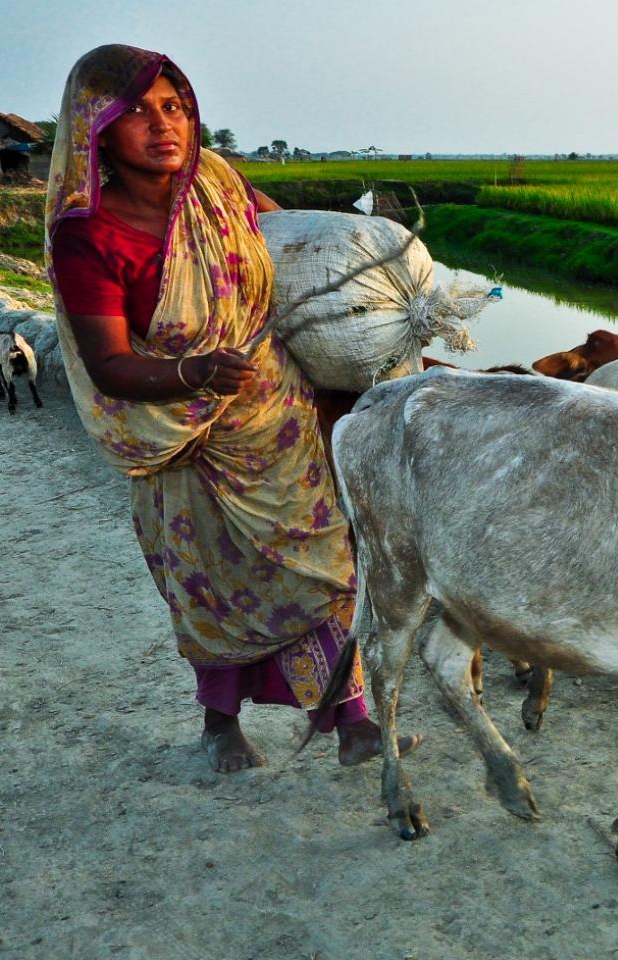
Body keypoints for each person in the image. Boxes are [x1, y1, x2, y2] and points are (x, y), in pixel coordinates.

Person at [43, 44, 406, 773]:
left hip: (282, 420)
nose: (161, 125)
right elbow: (109, 366)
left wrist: (381, 293)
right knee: (210, 584)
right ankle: (220, 725)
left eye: (173, 107)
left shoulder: (218, 183)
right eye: (136, 112)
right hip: (185, 444)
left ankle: (355, 721)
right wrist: (195, 371)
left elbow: (297, 247)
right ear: (95, 131)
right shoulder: (88, 236)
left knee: (327, 564)